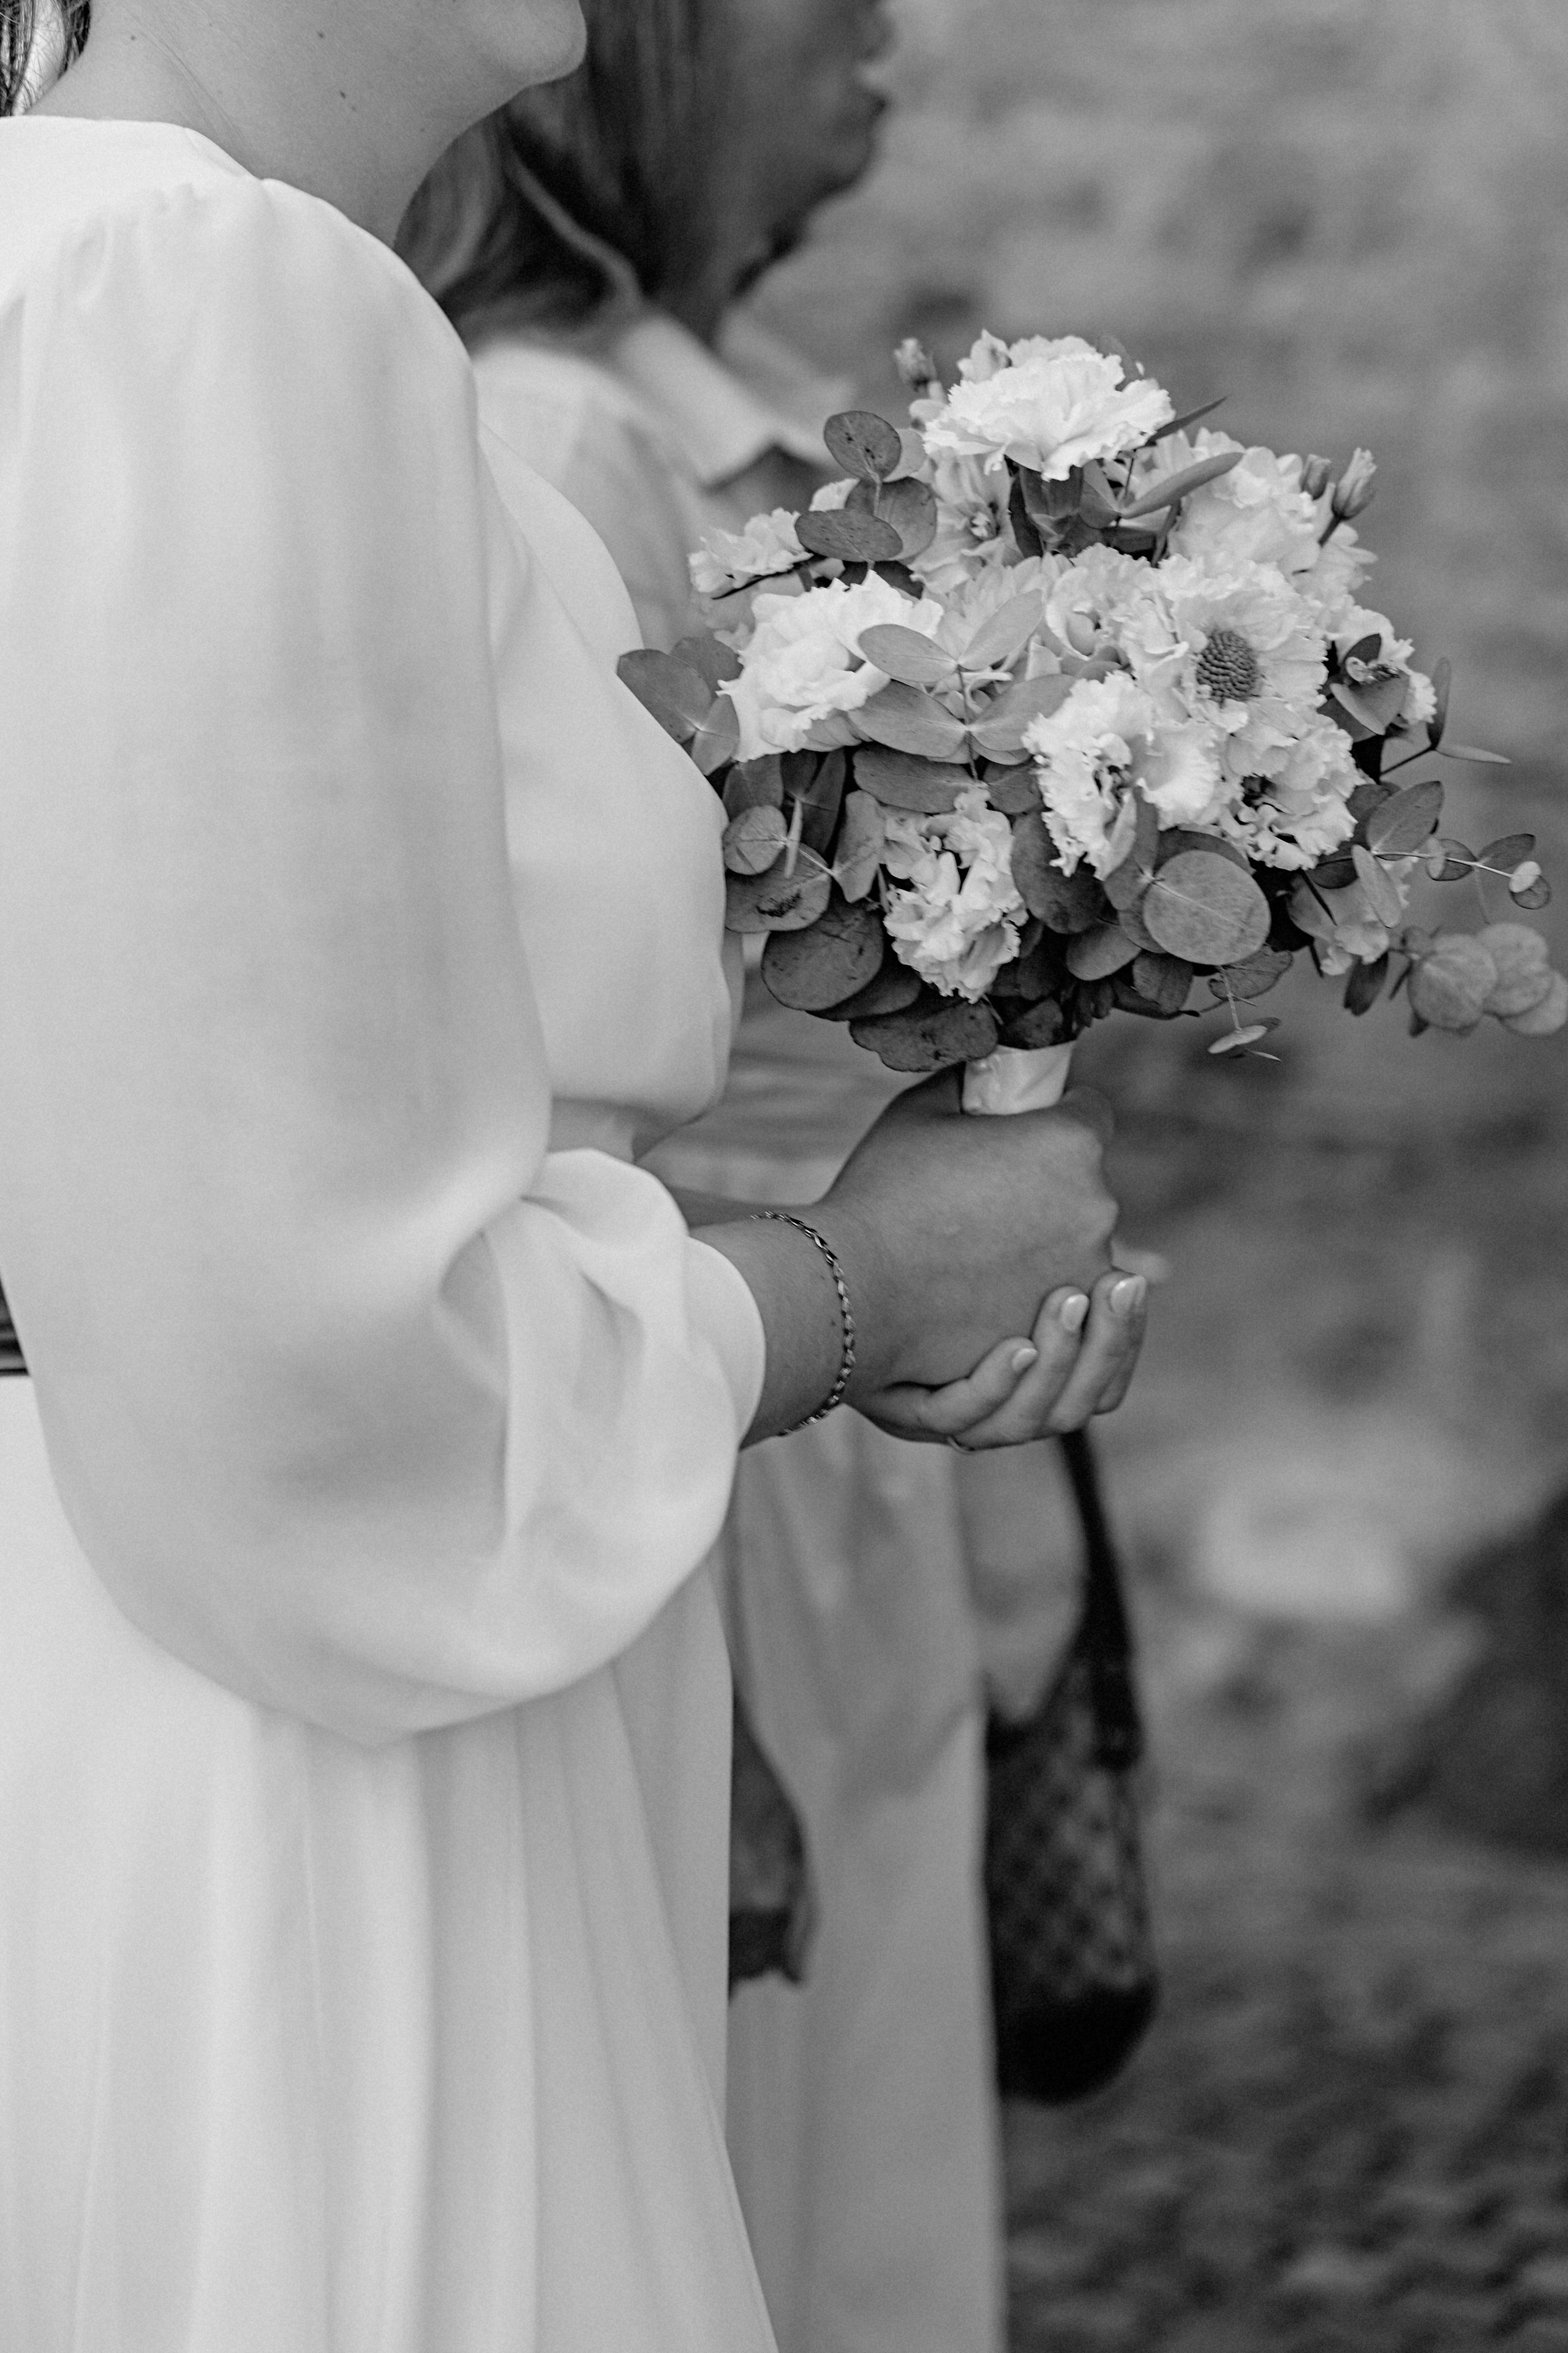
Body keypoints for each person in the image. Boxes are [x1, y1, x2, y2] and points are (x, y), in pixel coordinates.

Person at [0, 1, 1147, 2346]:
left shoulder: (154, 278)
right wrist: (852, 1282)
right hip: (313, 1774)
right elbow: (328, 1393)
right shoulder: (210, 302)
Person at [400, 9, 1119, 2350]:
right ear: (660, 62)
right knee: (755, 2147)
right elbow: (526, 1114)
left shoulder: (740, 403)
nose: (888, 40)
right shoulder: (553, 450)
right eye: (823, 1)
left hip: (841, 1368)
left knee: (866, 2141)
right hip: (720, 1399)